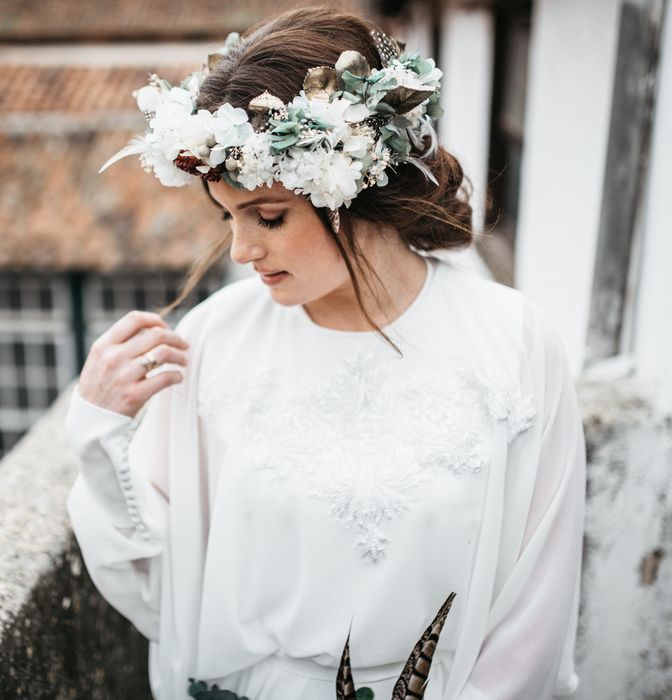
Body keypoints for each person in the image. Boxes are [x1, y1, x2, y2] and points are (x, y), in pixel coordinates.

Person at [65, 7, 586, 700]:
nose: (244, 251)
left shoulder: (514, 343)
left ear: (359, 187)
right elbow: (163, 579)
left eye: (270, 217)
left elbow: (536, 601)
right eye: (230, 217)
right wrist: (99, 432)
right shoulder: (215, 340)